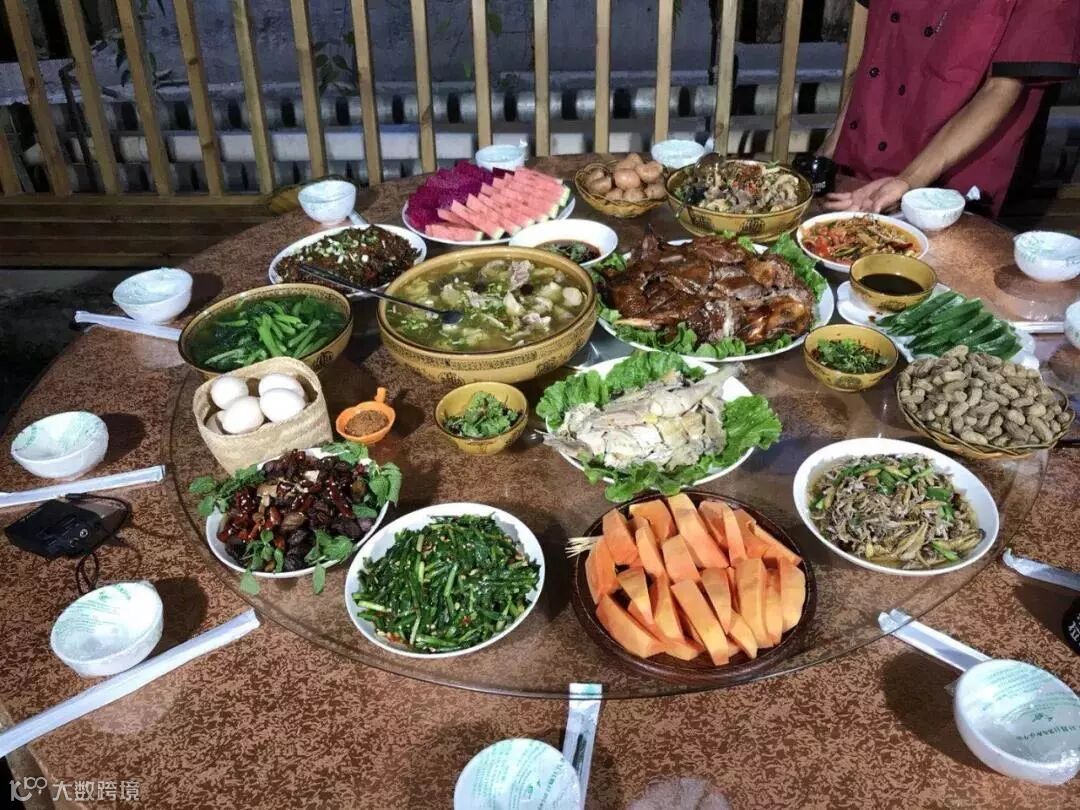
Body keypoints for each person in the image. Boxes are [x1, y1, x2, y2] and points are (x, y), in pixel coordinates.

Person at [818, 0, 1079, 216]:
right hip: (859, 159)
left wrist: (908, 180)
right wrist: (832, 144)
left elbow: (1001, 89)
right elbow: (879, 48)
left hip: (948, 183)